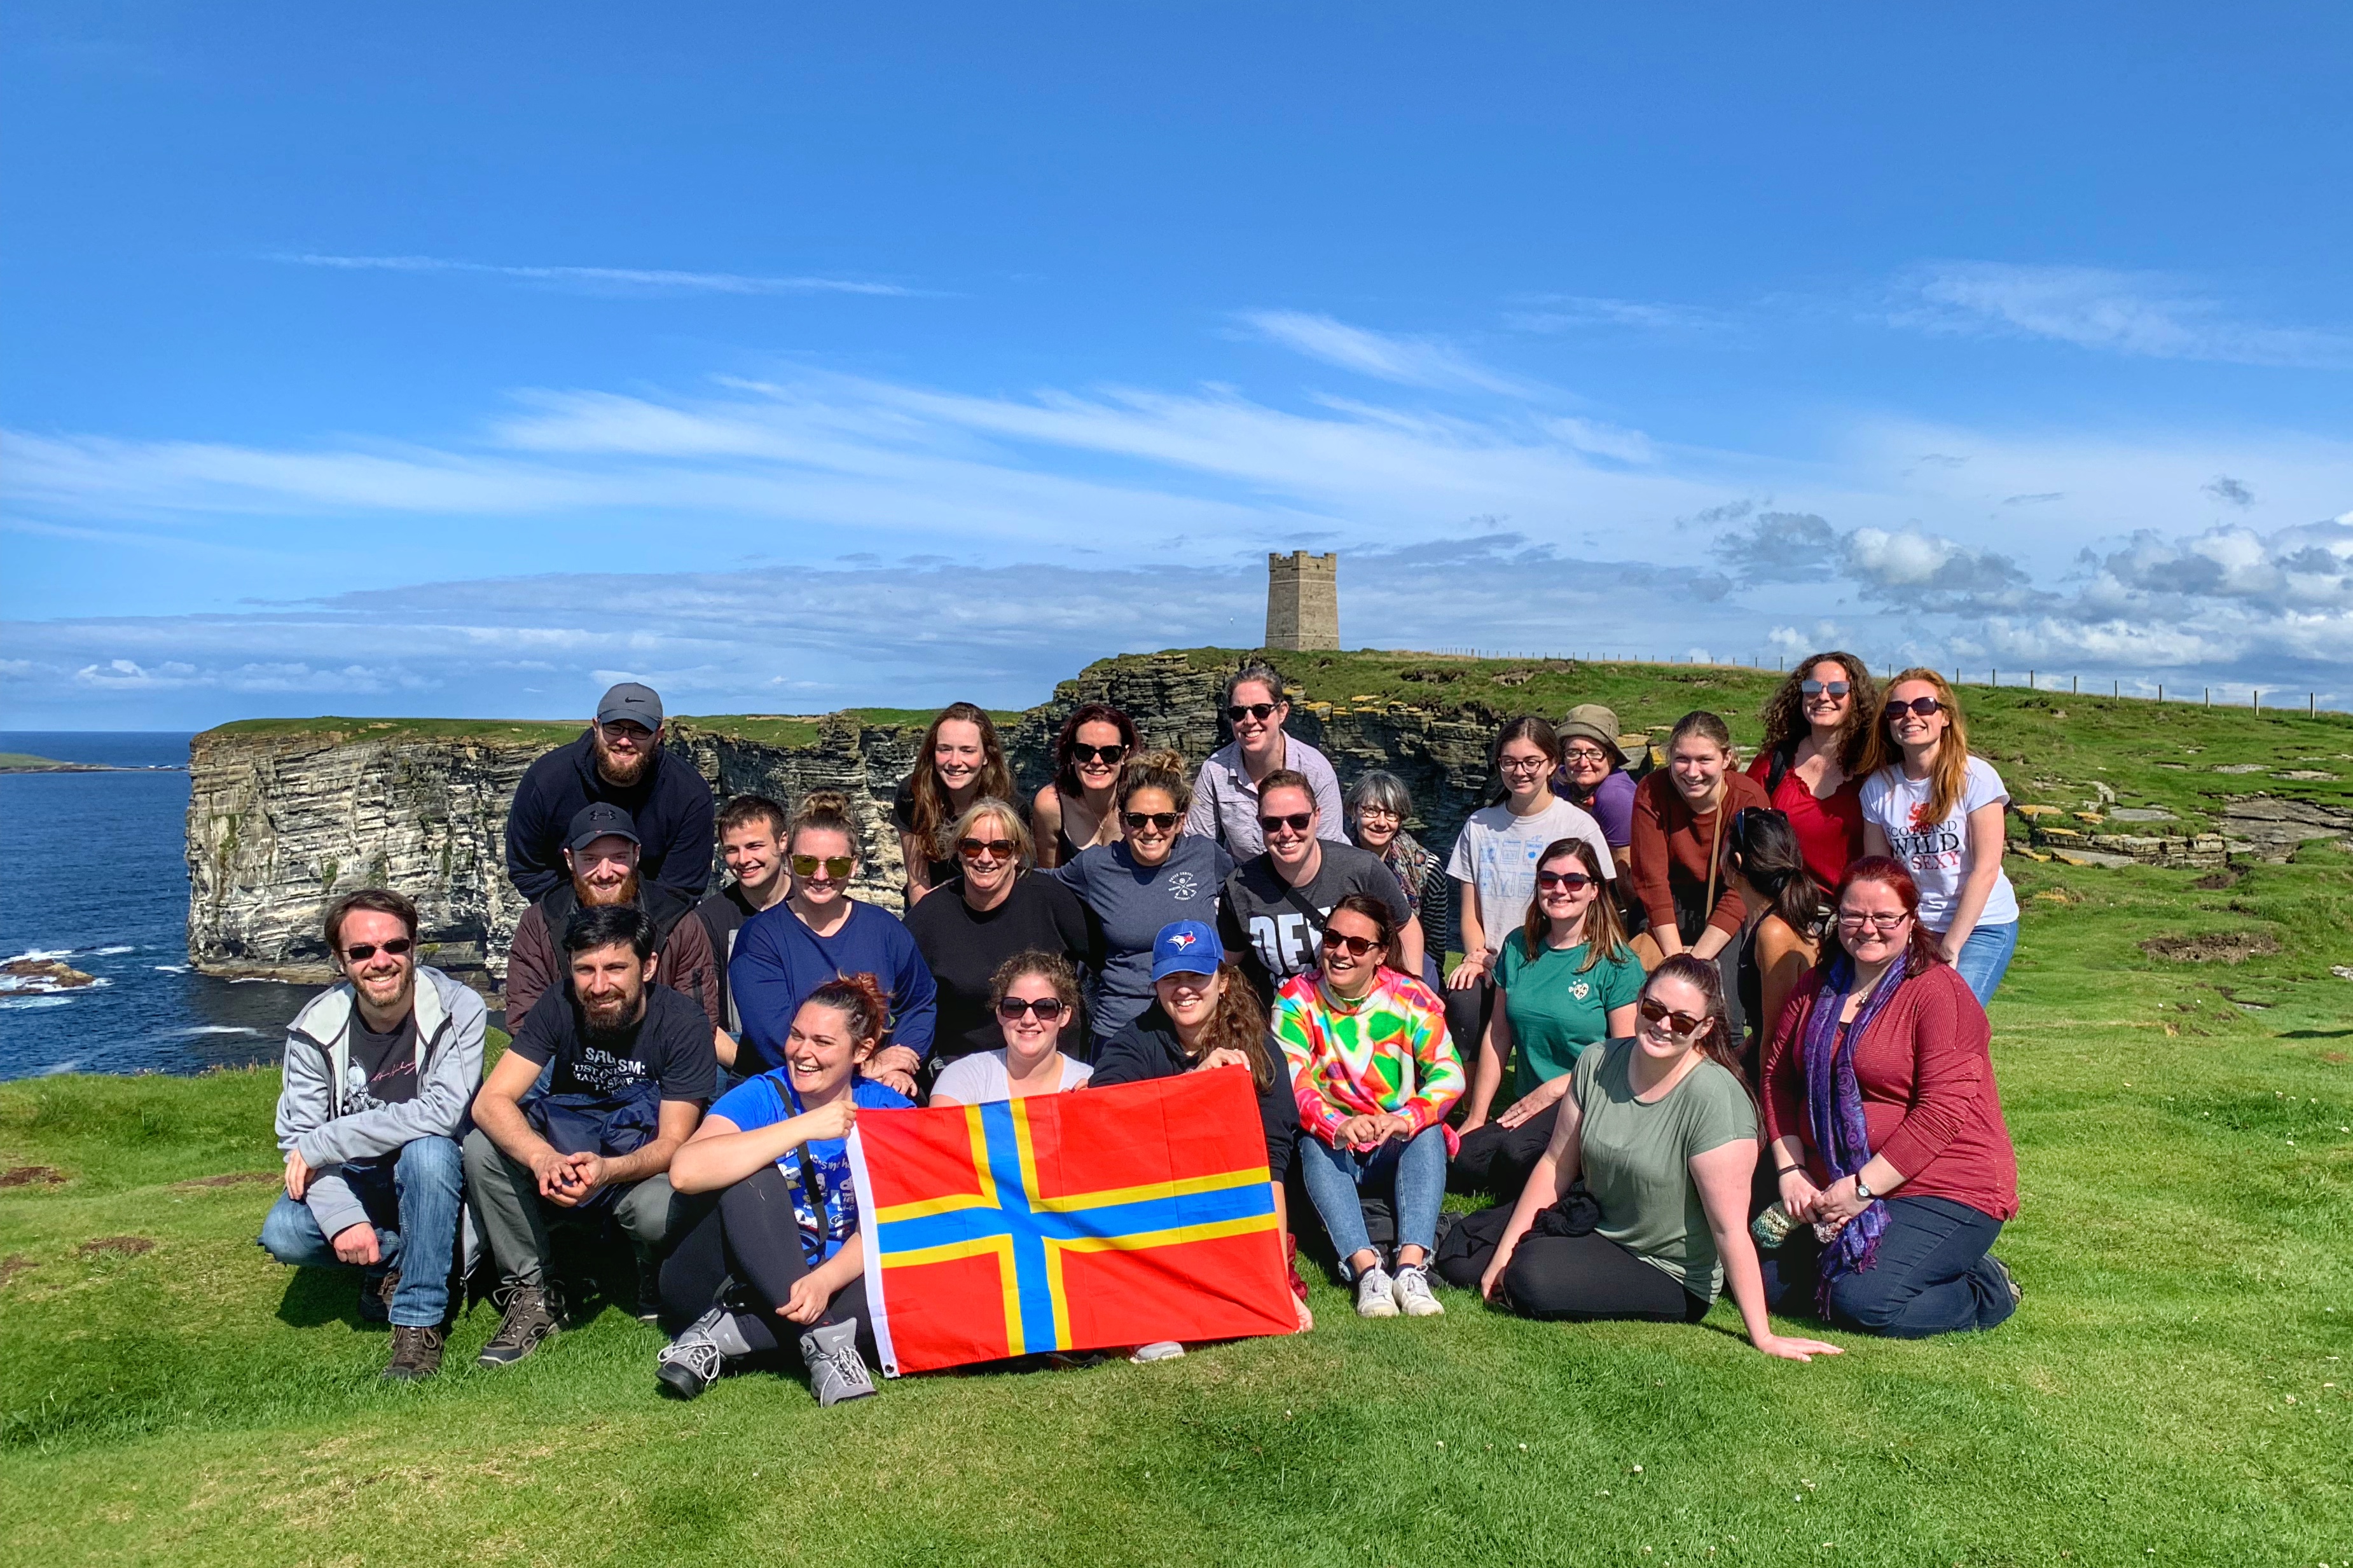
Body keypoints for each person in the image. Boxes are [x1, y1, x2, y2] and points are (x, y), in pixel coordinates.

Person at [1436, 958, 1843, 1365]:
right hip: (1596, 1224)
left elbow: (1729, 1229)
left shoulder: (1717, 1100)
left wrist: (1764, 1335)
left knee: (1529, 1276)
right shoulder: (1597, 1061)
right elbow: (1555, 1165)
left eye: (1683, 1021)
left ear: (1704, 1029)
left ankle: (1521, 1249)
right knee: (1464, 1262)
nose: (1664, 1026)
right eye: (1653, 1010)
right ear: (1639, 1002)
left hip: (1668, 1270)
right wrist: (1503, 1255)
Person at [1760, 858, 2021, 1337]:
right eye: (1854, 915)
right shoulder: (1818, 986)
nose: (1868, 929)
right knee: (1766, 1285)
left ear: (1911, 920)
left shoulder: (1939, 993)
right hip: (1828, 1176)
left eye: (1886, 918)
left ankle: (1987, 1288)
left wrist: (1862, 1189)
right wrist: (1792, 1170)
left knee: (1864, 1302)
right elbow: (1779, 1077)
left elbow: (1941, 1114)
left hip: (1945, 1182)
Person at [465, 904, 718, 1366]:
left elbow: (673, 1143)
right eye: (585, 970)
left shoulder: (682, 1023)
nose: (599, 986)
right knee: (482, 1146)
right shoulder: (559, 1004)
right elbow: (490, 1101)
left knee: (660, 1208)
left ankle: (651, 1268)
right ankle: (534, 1290)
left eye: (615, 968)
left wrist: (607, 1172)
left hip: (637, 1162)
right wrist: (542, 1158)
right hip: (567, 1145)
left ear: (650, 966)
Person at [654, 976, 912, 1405]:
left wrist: (826, 1280)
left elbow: (899, 1217)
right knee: (752, 1175)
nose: (802, 1053)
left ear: (862, 1051)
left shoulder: (890, 1112)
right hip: (722, 1281)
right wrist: (806, 1126)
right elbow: (685, 1171)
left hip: (830, 1284)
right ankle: (824, 1344)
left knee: (903, 1294)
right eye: (796, 1036)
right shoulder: (761, 1095)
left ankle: (726, 1336)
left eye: (823, 1042)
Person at [260, 889, 483, 1382]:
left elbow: (445, 1113)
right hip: (359, 1178)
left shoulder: (457, 1008)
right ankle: (408, 1258)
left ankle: (418, 1324)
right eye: (362, 951)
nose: (380, 962)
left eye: (395, 947)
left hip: (438, 1177)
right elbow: (299, 1137)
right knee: (284, 1233)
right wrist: (342, 1219)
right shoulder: (313, 1030)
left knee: (428, 1151)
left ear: (414, 947)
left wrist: (326, 1141)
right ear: (341, 962)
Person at [1092, 921, 1313, 1336]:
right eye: (1171, 978)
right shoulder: (1135, 1041)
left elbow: (1270, 1168)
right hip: (1153, 1210)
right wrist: (1196, 1086)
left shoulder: (1261, 1052)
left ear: (1223, 981)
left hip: (1233, 1213)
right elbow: (1104, 1114)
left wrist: (1277, 1279)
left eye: (1197, 975)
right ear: (1156, 986)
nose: (1184, 989)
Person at [1274, 895, 1461, 1319]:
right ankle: (1367, 1271)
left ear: (1379, 954)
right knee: (1315, 1142)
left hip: (1395, 1143)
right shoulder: (1295, 998)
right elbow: (1293, 1081)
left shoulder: (1411, 996)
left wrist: (1403, 1118)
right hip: (1334, 1144)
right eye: (1333, 939)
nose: (1341, 953)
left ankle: (1412, 1266)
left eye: (1358, 945)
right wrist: (1336, 1124)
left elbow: (1449, 1075)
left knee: (1427, 1129)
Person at [1451, 837, 1644, 1200]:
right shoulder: (1517, 946)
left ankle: (1581, 1173)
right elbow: (1499, 1033)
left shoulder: (1618, 963)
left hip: (1586, 1101)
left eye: (1574, 881)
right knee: (1465, 1160)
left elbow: (1624, 1056)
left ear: (1594, 891)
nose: (1560, 890)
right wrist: (1477, 1117)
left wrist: (1558, 1087)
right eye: (1548, 880)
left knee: (1514, 1157)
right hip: (1528, 1104)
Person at [729, 791, 937, 1090]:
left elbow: (920, 1002)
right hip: (787, 1088)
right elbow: (775, 1038)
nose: (821, 875)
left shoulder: (885, 929)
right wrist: (869, 1066)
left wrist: (903, 1060)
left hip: (877, 1085)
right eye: (806, 863)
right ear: (789, 862)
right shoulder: (760, 939)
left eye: (836, 865)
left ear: (853, 866)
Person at [1442, 716, 1615, 1071]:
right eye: (1509, 762)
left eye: (1531, 762)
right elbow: (1470, 912)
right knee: (1464, 1000)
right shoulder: (1479, 825)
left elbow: (1599, 905)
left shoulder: (1578, 826)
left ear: (1552, 764)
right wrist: (1477, 957)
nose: (1519, 772)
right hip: (1492, 959)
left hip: (1556, 961)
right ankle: (1475, 1112)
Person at [1050, 750, 1233, 1050]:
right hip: (1123, 1029)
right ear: (1122, 821)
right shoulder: (1096, 867)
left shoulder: (1204, 855)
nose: (1150, 830)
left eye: (1163, 819)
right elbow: (1033, 885)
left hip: (1201, 1028)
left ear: (1180, 822)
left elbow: (1248, 893)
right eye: (1137, 819)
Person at [1858, 671, 2021, 1005]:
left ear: (1945, 716)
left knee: (1952, 1018)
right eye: (1897, 709)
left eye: (1923, 705)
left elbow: (1986, 869)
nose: (1910, 715)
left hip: (1981, 925)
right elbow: (1881, 878)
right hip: (1916, 928)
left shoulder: (1976, 777)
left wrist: (1950, 946)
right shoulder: (1878, 788)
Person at [903, 798, 1098, 1077]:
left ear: (1017, 854)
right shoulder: (931, 917)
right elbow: (895, 993)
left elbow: (1106, 964)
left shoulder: (1052, 901)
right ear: (958, 852)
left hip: (1051, 1069)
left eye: (1000, 848)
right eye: (972, 846)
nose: (985, 858)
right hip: (967, 1074)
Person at [503, 803, 723, 1043]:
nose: (605, 873)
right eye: (590, 859)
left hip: (658, 1062)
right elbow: (525, 1021)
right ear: (569, 859)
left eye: (618, 857)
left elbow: (697, 1020)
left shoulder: (678, 921)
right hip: (568, 1063)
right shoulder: (541, 923)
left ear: (636, 855)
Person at [1629, 710, 1772, 1041]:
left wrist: (1698, 959)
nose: (1692, 772)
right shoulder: (1651, 791)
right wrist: (1677, 958)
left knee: (1726, 1016)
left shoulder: (1748, 798)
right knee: (1651, 1005)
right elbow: (1651, 880)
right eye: (1681, 760)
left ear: (1727, 758)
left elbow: (1743, 888)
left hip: (1729, 901)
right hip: (1667, 903)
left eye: (1704, 760)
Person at [1220, 769, 1419, 1003]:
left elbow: (1406, 926)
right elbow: (1228, 963)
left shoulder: (1362, 868)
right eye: (1272, 823)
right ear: (1259, 824)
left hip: (1363, 1014)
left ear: (1317, 816)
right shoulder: (1240, 887)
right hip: (1283, 1018)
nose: (1286, 833)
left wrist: (1413, 994)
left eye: (1298, 820)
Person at [505, 681, 715, 902]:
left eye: (639, 730)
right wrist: (576, 926)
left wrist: (630, 932)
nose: (625, 740)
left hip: (655, 922)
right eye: (614, 727)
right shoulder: (546, 781)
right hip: (566, 917)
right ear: (596, 726)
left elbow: (681, 889)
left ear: (659, 735)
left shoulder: (689, 794)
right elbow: (528, 869)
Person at [1185, 663, 1348, 858]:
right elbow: (1198, 846)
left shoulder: (1316, 770)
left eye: (1261, 710)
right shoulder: (1215, 770)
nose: (1250, 720)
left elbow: (1331, 851)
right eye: (1238, 713)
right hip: (1247, 882)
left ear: (1282, 712)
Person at [1747, 654, 1874, 893]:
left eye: (1838, 689)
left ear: (1856, 698)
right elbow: (1742, 829)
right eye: (1812, 687)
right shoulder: (1774, 761)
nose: (1823, 696)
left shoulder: (1873, 765)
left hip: (1855, 918)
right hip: (1782, 915)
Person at [1726, 807, 1830, 1072]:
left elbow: (1778, 1039)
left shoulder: (1775, 932)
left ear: (1736, 861)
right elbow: (1763, 1028)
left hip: (1785, 1081)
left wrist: (1767, 1109)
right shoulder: (1759, 922)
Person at [930, 951, 1096, 1104]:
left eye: (1045, 1007)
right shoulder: (963, 1077)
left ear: (1065, 1015)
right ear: (1000, 1013)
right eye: (1015, 1007)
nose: (1029, 1019)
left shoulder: (1090, 1084)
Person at [895, 702, 1017, 907]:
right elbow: (918, 880)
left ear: (987, 756)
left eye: (967, 751)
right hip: (930, 906)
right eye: (944, 749)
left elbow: (1013, 879)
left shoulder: (1010, 805)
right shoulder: (913, 793)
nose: (954, 761)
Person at [695, 794, 794, 1043]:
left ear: (783, 842)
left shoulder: (812, 907)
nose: (743, 860)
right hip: (736, 1050)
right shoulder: (709, 919)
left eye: (754, 846)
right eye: (731, 850)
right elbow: (701, 1018)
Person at [1344, 769, 1450, 992]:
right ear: (1354, 811)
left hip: (1404, 966)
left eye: (1391, 813)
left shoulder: (1427, 869)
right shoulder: (1335, 860)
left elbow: (1435, 943)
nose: (1381, 822)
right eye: (1372, 810)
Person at [1033, 703, 1140, 869]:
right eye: (1084, 752)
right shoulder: (1051, 806)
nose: (1097, 761)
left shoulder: (1142, 802)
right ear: (1071, 755)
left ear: (1124, 756)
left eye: (1109, 753)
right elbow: (1049, 882)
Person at [1554, 704, 1638, 876]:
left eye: (1594, 753)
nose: (1583, 763)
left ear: (1612, 757)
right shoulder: (1560, 781)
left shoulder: (1615, 797)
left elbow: (1625, 874)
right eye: (1573, 752)